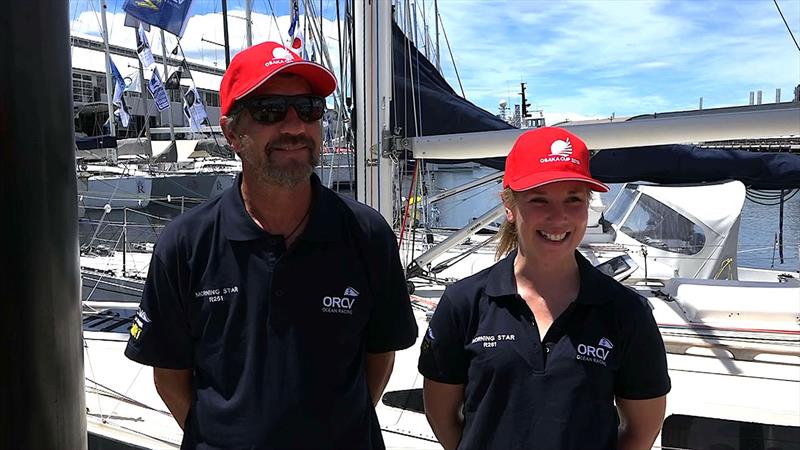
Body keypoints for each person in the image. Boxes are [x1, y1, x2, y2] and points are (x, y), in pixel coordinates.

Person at [124, 41, 418, 449]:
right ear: (232, 132)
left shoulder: (367, 235)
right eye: (270, 111)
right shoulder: (185, 245)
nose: (295, 126)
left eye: (309, 109)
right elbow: (169, 378)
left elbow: (380, 357)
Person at [418, 127, 670, 450]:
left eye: (573, 199)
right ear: (509, 206)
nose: (558, 217)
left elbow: (642, 429)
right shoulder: (463, 303)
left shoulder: (626, 313)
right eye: (539, 200)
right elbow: (440, 414)